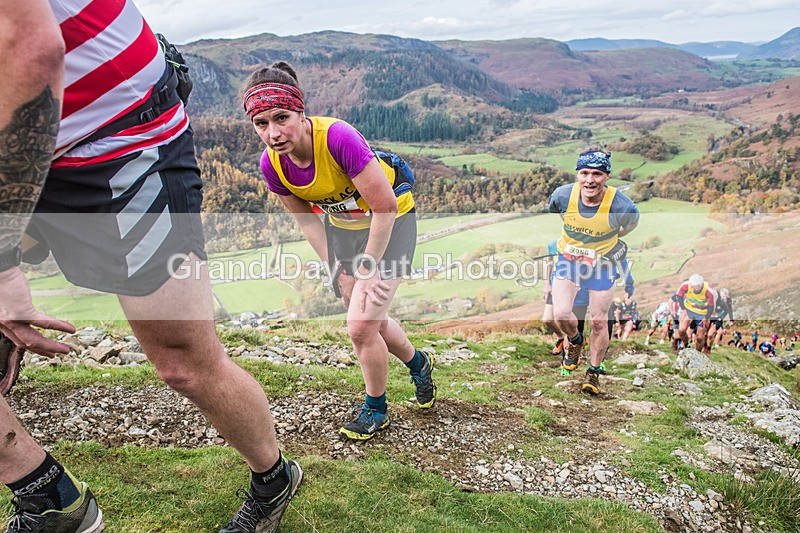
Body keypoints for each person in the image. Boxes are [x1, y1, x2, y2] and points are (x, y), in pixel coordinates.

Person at [0, 3, 301, 532]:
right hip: (21, 142)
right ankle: (46, 497)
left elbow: (28, 46)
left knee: (183, 362)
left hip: (115, 143)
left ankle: (274, 477)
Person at [242, 62, 436, 441]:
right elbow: (308, 222)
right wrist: (339, 268)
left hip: (391, 225)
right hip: (344, 231)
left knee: (360, 325)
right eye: (261, 123)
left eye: (282, 117)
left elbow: (385, 208)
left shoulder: (337, 138)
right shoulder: (272, 165)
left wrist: (369, 265)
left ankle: (376, 410)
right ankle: (419, 365)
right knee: (372, 320)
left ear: (301, 110)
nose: (273, 133)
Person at [548, 147, 640, 395]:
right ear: (577, 174)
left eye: (597, 174)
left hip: (603, 266)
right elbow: (561, 215)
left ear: (607, 176)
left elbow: (629, 225)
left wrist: (604, 243)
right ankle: (576, 340)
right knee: (561, 313)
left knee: (600, 321)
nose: (590, 180)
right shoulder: (562, 195)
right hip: (568, 260)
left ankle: (593, 372)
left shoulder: (622, 205)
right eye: (585, 173)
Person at [673, 274, 716, 354]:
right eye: (691, 287)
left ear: (701, 286)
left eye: (695, 288)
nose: (692, 289)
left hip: (703, 312)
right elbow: (679, 296)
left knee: (700, 337)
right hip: (689, 309)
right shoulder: (685, 285)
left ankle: (697, 354)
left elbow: (711, 307)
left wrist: (706, 318)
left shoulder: (708, 291)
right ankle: (686, 345)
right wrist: (683, 309)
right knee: (681, 329)